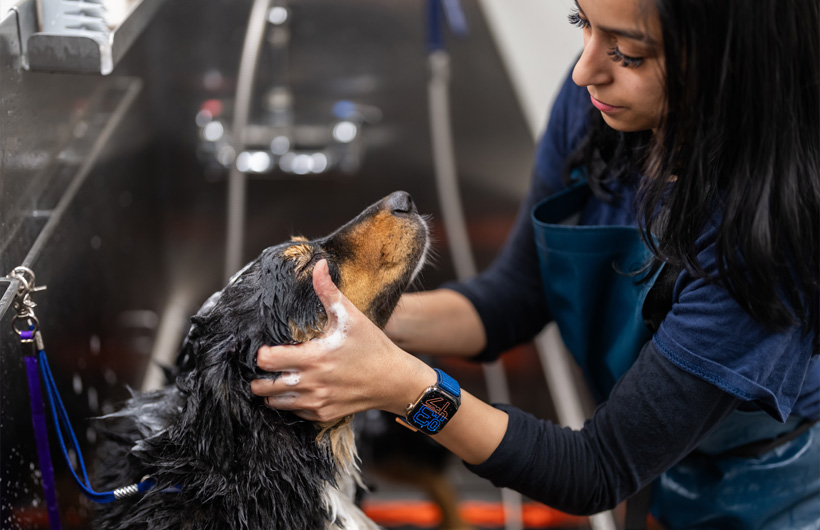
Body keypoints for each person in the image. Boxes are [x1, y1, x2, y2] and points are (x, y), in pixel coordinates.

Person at [250, 0, 820, 527]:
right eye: (582, 24)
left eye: (628, 52)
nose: (584, 71)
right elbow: (513, 298)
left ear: (731, 63)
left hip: (776, 492)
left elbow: (594, 470)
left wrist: (406, 390)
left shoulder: (769, 241)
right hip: (658, 475)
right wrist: (351, 318)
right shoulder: (599, 111)